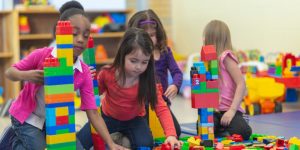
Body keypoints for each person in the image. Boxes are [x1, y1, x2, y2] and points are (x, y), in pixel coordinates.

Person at [5, 1, 123, 149]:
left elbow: (93, 112)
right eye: (74, 34)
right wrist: (27, 75)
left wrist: (110, 143)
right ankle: (15, 143)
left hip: (55, 122)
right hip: (27, 119)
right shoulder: (42, 55)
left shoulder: (83, 72)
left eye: (86, 36)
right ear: (59, 34)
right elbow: (10, 72)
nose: (80, 39)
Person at [77, 28, 182, 149]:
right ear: (122, 55)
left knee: (146, 145)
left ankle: (120, 139)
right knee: (80, 142)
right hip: (107, 118)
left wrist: (171, 135)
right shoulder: (107, 73)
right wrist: (87, 82)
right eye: (133, 61)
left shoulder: (147, 79)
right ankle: (117, 138)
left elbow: (161, 107)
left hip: (135, 120)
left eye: (144, 62)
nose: (138, 67)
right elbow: (93, 94)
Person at [128, 9, 182, 137]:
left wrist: (175, 85)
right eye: (145, 36)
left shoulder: (165, 52)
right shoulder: (133, 56)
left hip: (160, 103)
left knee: (176, 131)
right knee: (145, 136)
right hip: (140, 105)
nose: (149, 39)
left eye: (152, 35)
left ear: (158, 34)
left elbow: (177, 73)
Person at [203, 20, 252, 140]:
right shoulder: (208, 60)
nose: (203, 41)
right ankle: (222, 129)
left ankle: (233, 123)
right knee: (202, 128)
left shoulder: (226, 57)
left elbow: (241, 83)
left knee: (243, 131)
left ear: (212, 39)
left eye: (205, 37)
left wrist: (232, 110)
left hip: (230, 110)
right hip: (215, 110)